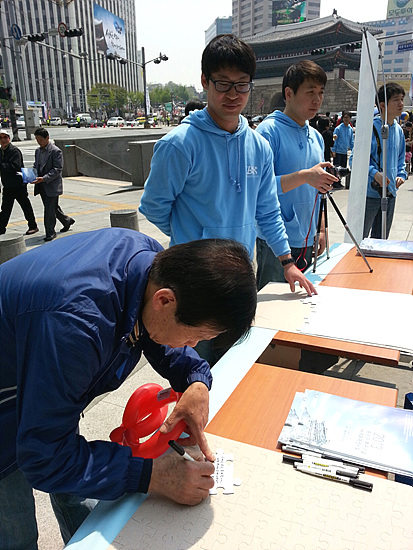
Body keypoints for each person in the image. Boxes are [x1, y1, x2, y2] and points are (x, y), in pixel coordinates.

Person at [0, 228, 257, 549]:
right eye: (196, 336)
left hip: (38, 364)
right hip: (6, 399)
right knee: (15, 530)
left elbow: (151, 327)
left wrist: (195, 379)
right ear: (165, 299)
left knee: (75, 483)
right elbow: (44, 458)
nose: (191, 346)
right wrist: (153, 476)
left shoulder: (148, 262)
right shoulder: (77, 326)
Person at [139, 34, 314, 298]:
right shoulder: (179, 145)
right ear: (204, 82)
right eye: (223, 84)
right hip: (192, 276)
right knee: (196, 340)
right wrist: (193, 236)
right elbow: (154, 207)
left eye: (242, 85)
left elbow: (267, 211)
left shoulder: (259, 146)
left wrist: (287, 262)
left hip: (240, 272)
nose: (233, 94)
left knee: (238, 339)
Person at [255, 60, 337, 291]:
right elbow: (259, 188)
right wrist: (304, 176)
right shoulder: (269, 132)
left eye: (320, 92)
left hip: (308, 237)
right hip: (276, 241)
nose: (317, 99)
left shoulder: (316, 136)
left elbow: (318, 189)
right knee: (271, 306)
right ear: (288, 93)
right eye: (310, 92)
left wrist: (321, 230)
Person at [354, 82, 407, 239]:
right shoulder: (369, 128)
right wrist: (374, 174)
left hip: (391, 194)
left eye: (402, 99)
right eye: (396, 99)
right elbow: (355, 160)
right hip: (370, 194)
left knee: (382, 240)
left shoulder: (398, 130)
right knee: (360, 239)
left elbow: (400, 158)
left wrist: (401, 175)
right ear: (382, 105)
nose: (401, 104)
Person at [31, 127, 75, 241]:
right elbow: (36, 165)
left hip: (51, 184)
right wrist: (32, 174)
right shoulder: (38, 151)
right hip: (41, 184)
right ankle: (67, 221)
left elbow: (57, 169)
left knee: (49, 210)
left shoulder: (56, 151)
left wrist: (44, 178)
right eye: (36, 139)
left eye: (40, 139)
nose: (38, 141)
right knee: (52, 207)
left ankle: (50, 232)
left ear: (47, 138)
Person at [0, 128, 38, 235]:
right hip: (7, 185)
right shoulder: (1, 151)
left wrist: (2, 165)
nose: (3, 140)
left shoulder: (14, 151)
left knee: (25, 206)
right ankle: (1, 228)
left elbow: (15, 166)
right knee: (5, 209)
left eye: (5, 137)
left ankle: (33, 226)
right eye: (0, 138)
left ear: (9, 138)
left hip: (18, 185)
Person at [331, 110, 354, 189]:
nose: (346, 119)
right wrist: (333, 150)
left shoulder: (350, 129)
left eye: (347, 117)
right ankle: (334, 182)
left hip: (344, 151)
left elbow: (351, 141)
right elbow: (335, 140)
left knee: (342, 168)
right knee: (336, 168)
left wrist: (353, 150)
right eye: (345, 117)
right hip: (338, 151)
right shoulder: (338, 128)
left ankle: (339, 181)